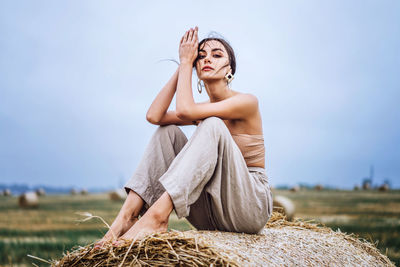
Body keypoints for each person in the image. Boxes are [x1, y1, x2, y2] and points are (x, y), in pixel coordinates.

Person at [95, 26, 273, 247]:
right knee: (167, 132)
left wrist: (189, 63)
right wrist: (183, 65)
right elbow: (154, 115)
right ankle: (127, 217)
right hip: (212, 213)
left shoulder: (247, 102)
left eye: (217, 55)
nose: (208, 59)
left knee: (212, 124)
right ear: (196, 69)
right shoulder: (203, 107)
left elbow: (185, 111)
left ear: (230, 70)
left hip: (249, 206)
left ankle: (158, 217)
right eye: (201, 56)